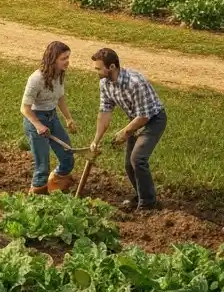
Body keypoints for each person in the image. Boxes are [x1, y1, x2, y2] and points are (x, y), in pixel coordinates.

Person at [90, 48, 167, 211]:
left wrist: (124, 132)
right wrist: (96, 140)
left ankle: (148, 204)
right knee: (128, 165)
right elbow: (104, 111)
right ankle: (141, 195)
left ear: (111, 67)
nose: (96, 71)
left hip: (153, 120)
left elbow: (145, 116)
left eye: (98, 68)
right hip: (136, 119)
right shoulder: (105, 84)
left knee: (138, 159)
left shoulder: (135, 82)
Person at [22, 41, 79, 194]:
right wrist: (38, 126)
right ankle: (35, 201)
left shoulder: (59, 74)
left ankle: (55, 185)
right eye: (63, 58)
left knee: (67, 158)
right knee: (42, 168)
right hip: (36, 120)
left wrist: (68, 118)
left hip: (52, 118)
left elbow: (60, 98)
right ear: (52, 59)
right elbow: (24, 108)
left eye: (68, 57)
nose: (67, 61)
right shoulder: (36, 79)